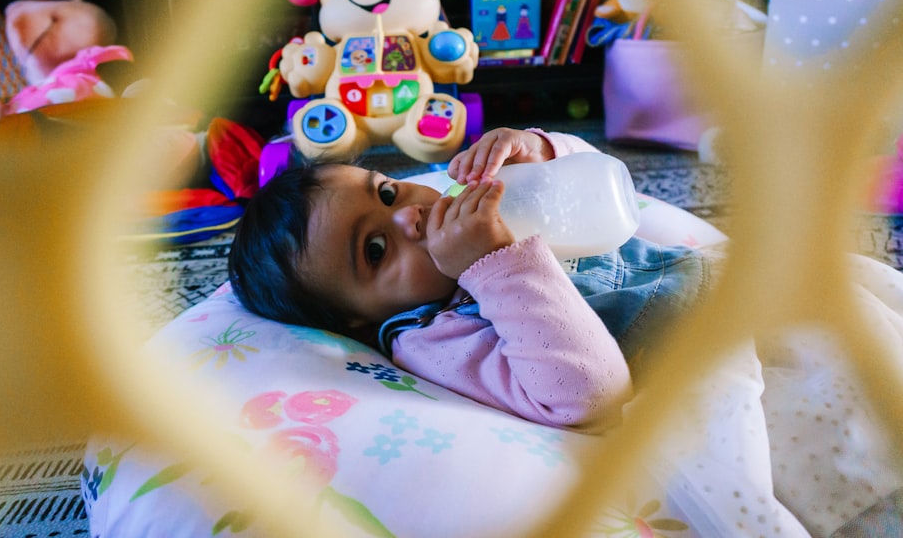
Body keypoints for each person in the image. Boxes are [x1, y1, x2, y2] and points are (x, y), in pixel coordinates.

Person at [228, 127, 720, 431]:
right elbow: (587, 394)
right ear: (355, 318)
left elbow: (602, 185)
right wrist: (498, 262)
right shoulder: (434, 339)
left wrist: (539, 154)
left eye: (386, 193)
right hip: (708, 352)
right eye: (375, 250)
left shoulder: (468, 208)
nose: (409, 217)